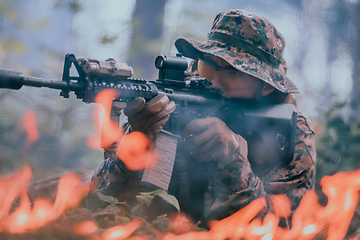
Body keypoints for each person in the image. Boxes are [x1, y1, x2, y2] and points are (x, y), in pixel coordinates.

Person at [90, 9, 316, 228]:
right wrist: (134, 146)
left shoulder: (291, 132)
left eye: (234, 72)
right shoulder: (173, 99)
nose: (213, 81)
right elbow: (101, 203)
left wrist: (233, 162)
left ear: (266, 86)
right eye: (208, 65)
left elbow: (281, 228)